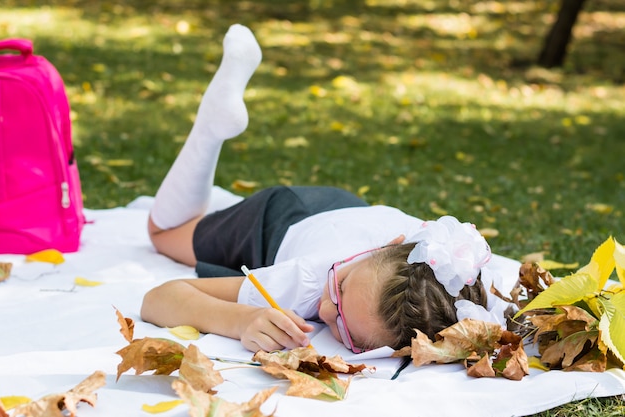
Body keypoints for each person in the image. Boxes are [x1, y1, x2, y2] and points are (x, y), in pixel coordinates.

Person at [140, 24, 511, 354]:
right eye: (341, 289)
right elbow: (159, 298)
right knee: (164, 233)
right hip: (278, 216)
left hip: (347, 207)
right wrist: (241, 320)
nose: (324, 310)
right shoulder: (306, 280)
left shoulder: (452, 285)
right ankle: (209, 128)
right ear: (388, 245)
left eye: (346, 332)